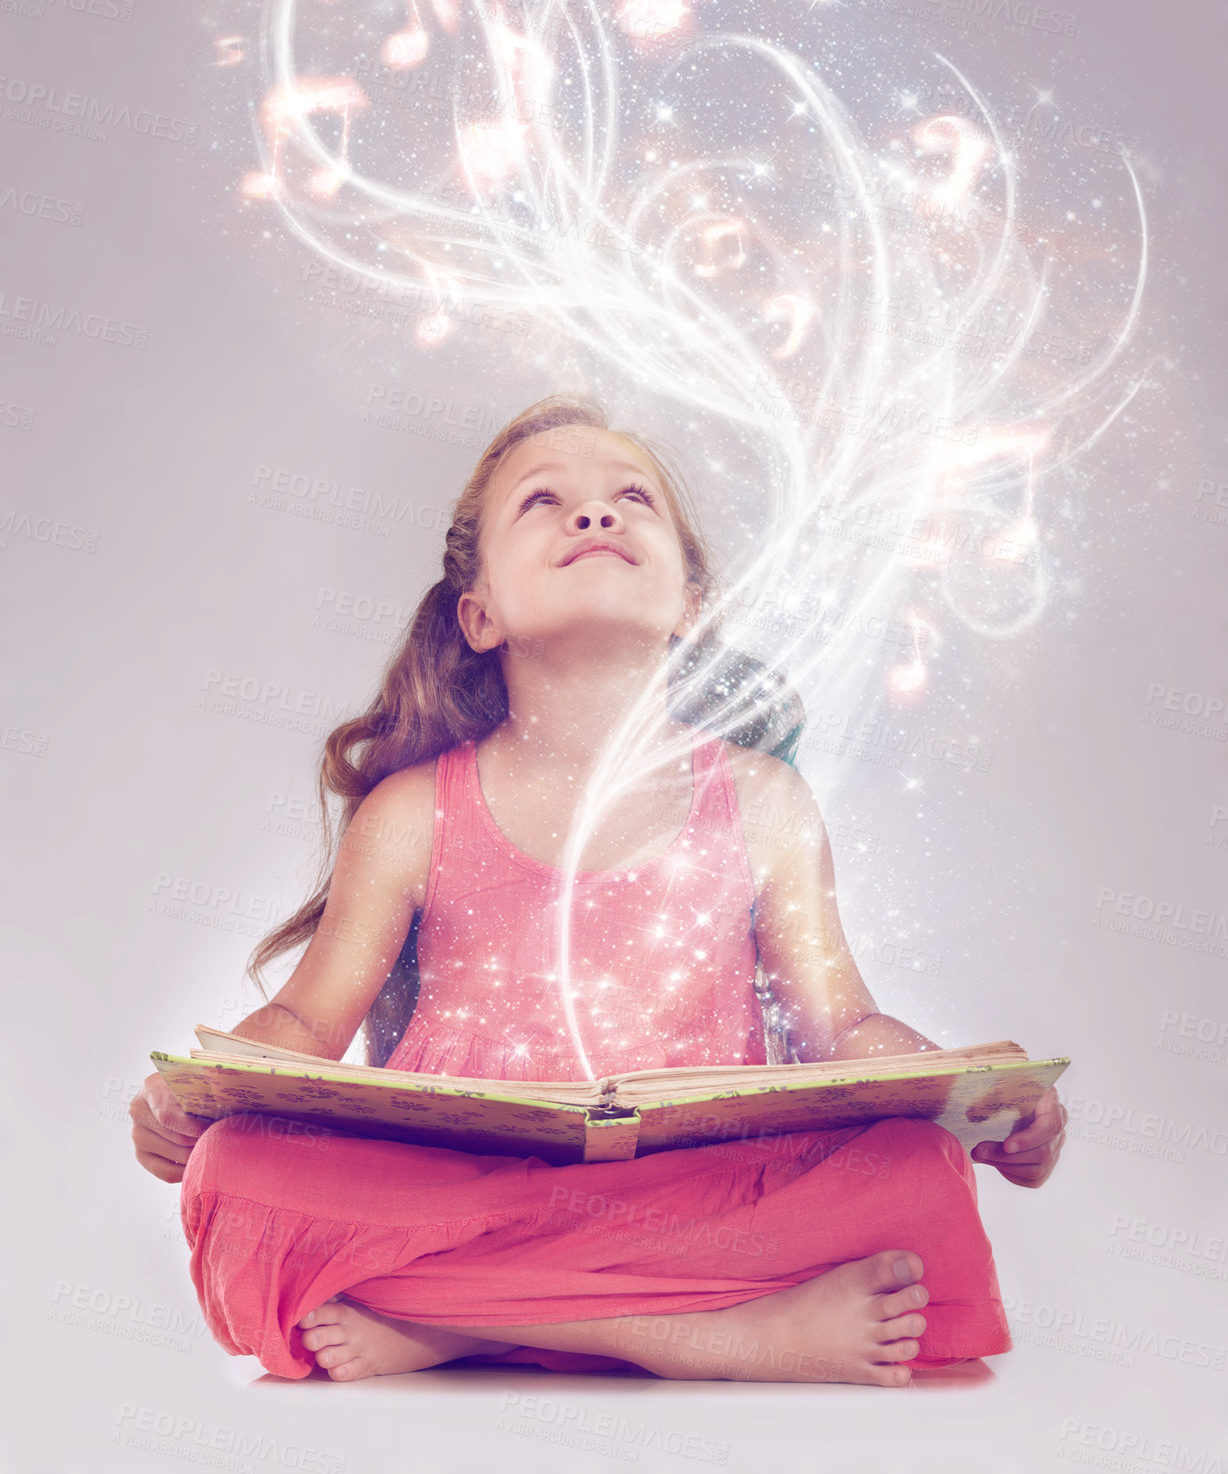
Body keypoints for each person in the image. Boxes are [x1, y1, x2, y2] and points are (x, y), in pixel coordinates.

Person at [129, 392, 1067, 1387]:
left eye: (631, 498)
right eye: (544, 502)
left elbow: (842, 1027)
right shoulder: (412, 813)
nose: (593, 514)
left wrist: (972, 1088)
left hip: (694, 1195)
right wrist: (192, 1093)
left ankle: (461, 1321)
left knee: (919, 1175)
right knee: (235, 1169)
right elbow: (306, 1022)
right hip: (459, 1190)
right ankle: (708, 1335)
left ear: (689, 602)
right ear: (479, 612)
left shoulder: (763, 802)